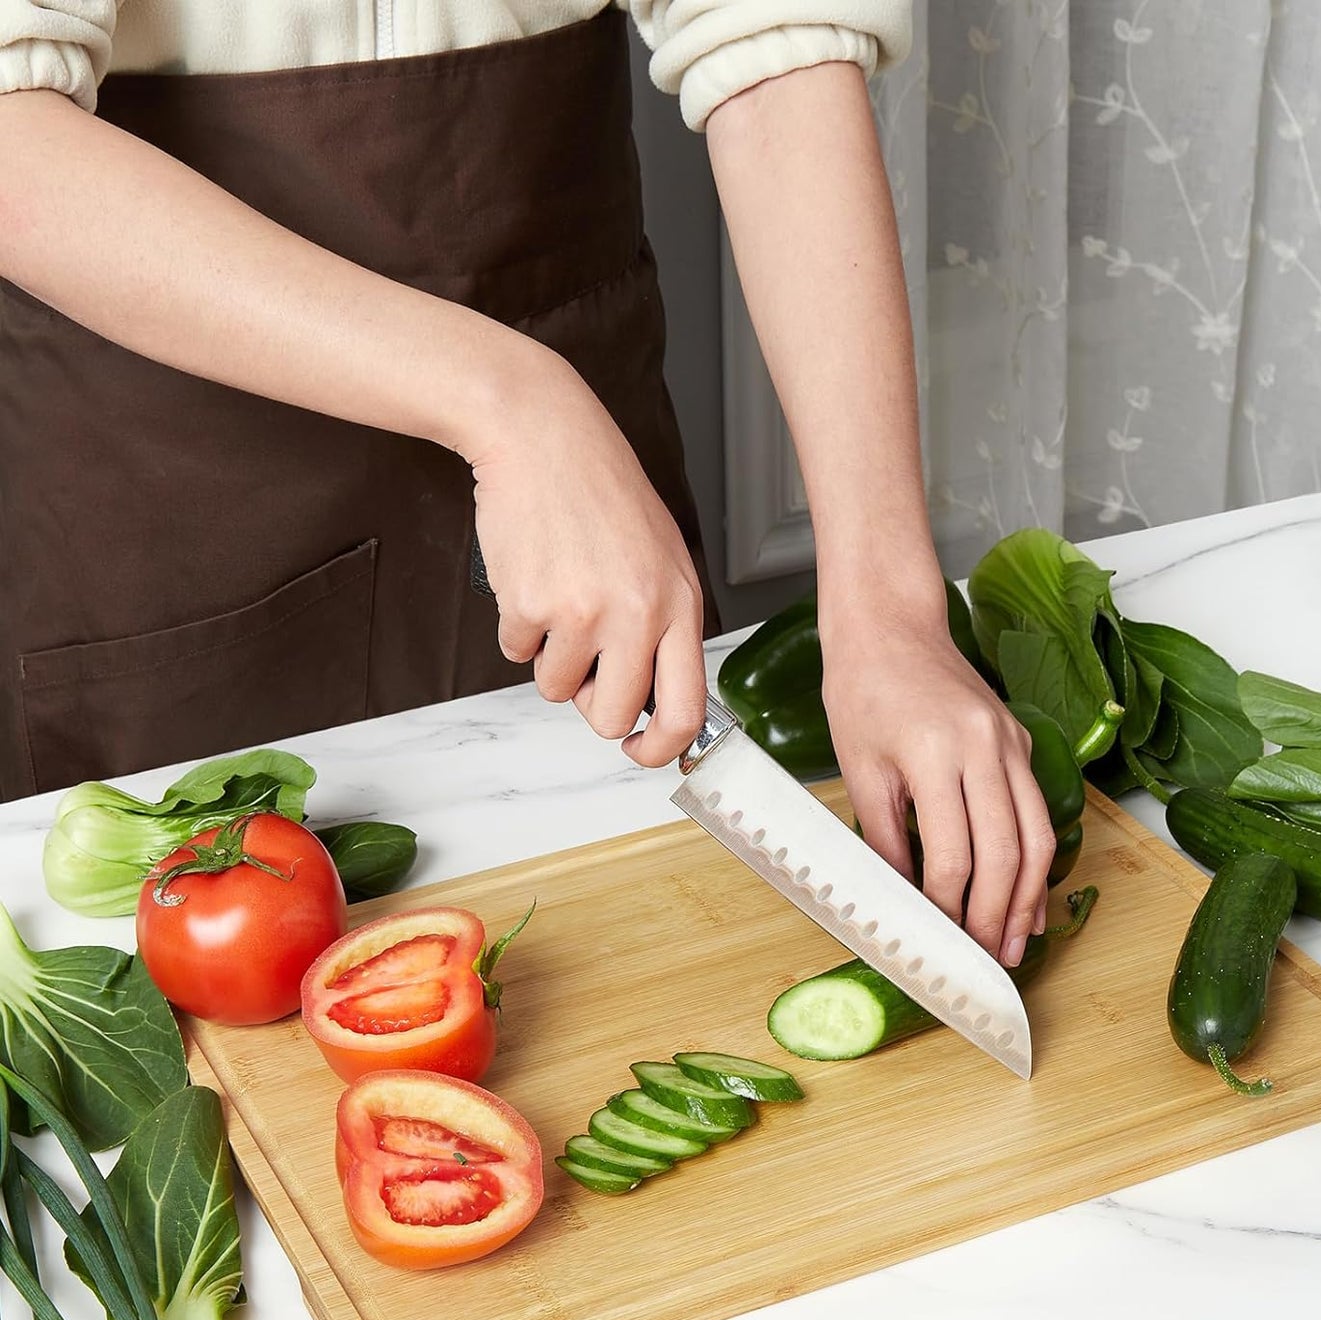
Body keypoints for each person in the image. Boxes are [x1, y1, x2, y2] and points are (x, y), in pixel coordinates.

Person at [0, 1, 1055, 967]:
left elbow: (770, 42)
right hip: (176, 470)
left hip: (578, 458)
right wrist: (511, 402)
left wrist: (886, 606)